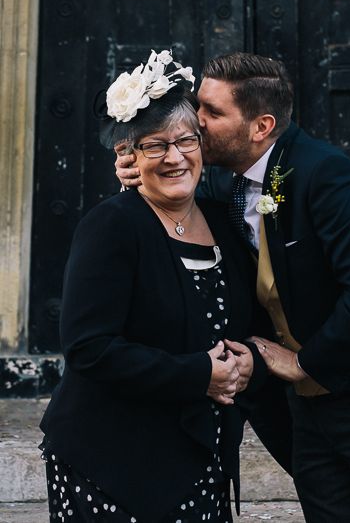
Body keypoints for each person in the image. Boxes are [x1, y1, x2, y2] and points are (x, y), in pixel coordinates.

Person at [117, 51, 350, 522]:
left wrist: (304, 362)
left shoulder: (325, 174)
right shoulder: (224, 189)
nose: (198, 122)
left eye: (212, 112)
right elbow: (176, 234)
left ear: (261, 126)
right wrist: (140, 181)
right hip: (303, 416)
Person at [40, 50, 267, 522]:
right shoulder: (112, 226)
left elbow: (243, 321)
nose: (175, 157)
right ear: (127, 156)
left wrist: (249, 362)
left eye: (186, 141)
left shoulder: (226, 223)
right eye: (154, 146)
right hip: (111, 459)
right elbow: (89, 348)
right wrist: (198, 375)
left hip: (198, 454)